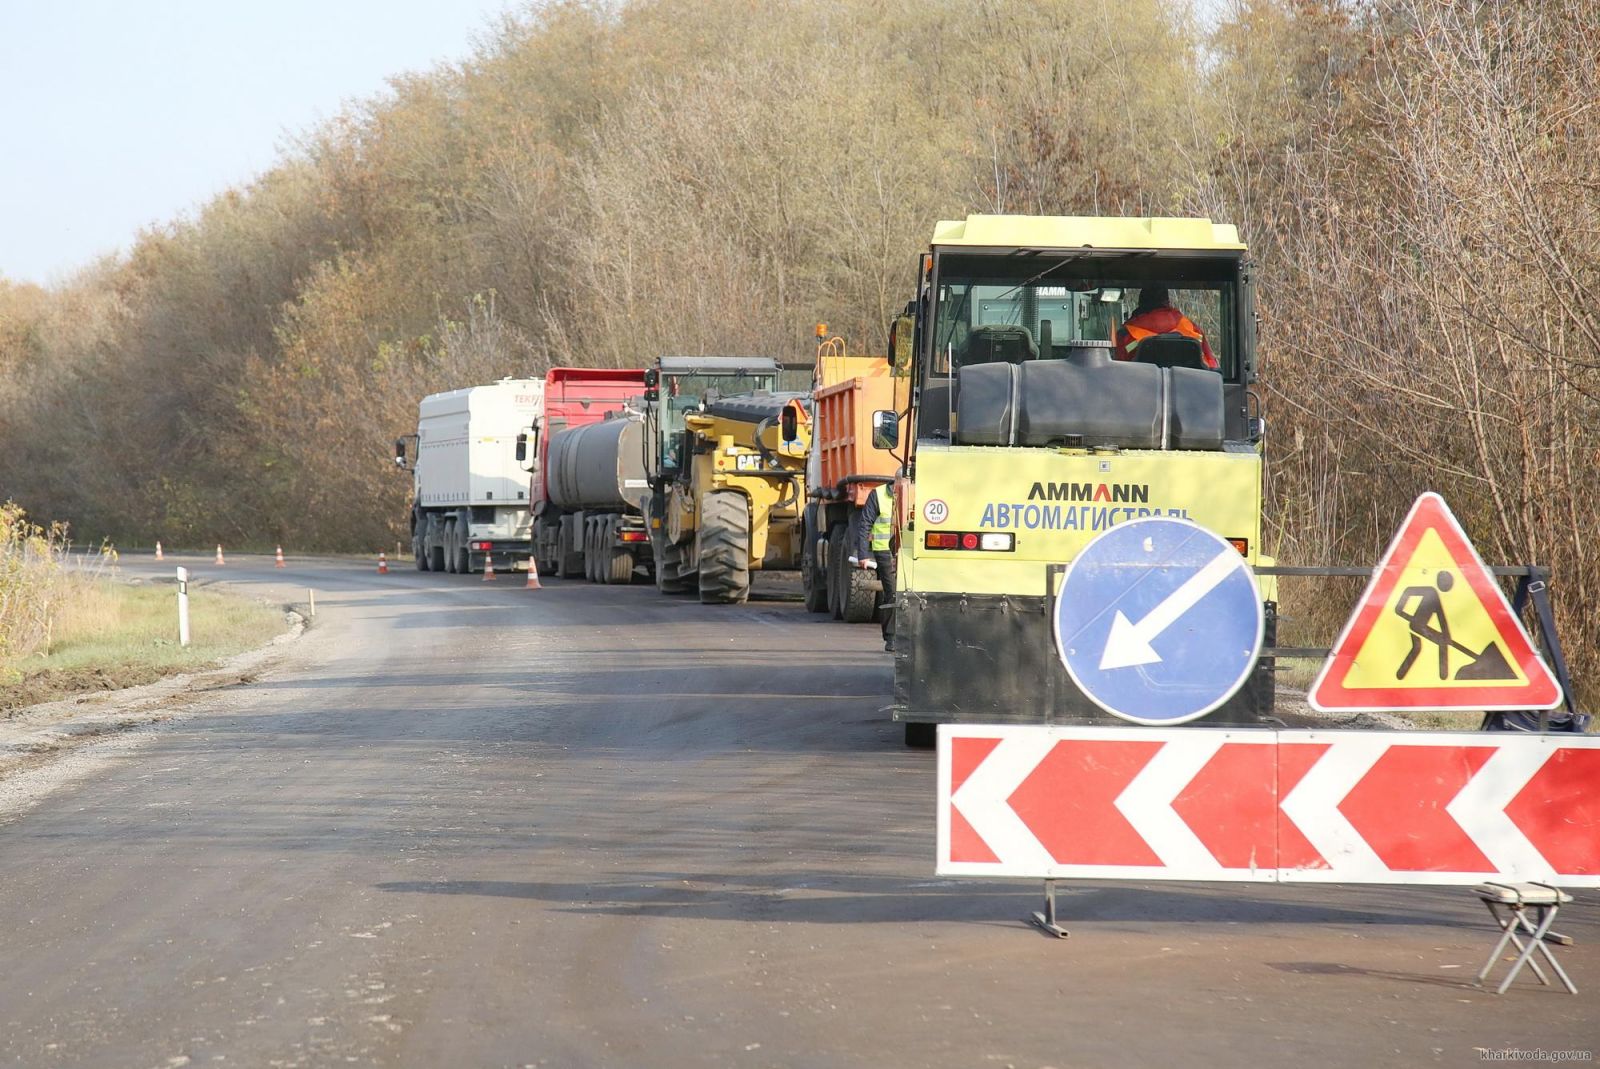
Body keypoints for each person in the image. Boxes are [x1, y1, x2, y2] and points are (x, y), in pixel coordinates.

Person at [1113, 286, 1219, 369]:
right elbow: (1212, 368)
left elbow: (1118, 373)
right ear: (1167, 302)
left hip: (1141, 392)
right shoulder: (1192, 328)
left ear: (1141, 303)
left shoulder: (1127, 333)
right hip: (1191, 392)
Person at [850, 481, 896, 651]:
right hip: (884, 551)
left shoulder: (918, 491)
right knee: (893, 592)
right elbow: (865, 524)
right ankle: (891, 638)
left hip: (908, 551)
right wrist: (862, 554)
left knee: (899, 593)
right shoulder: (878, 494)